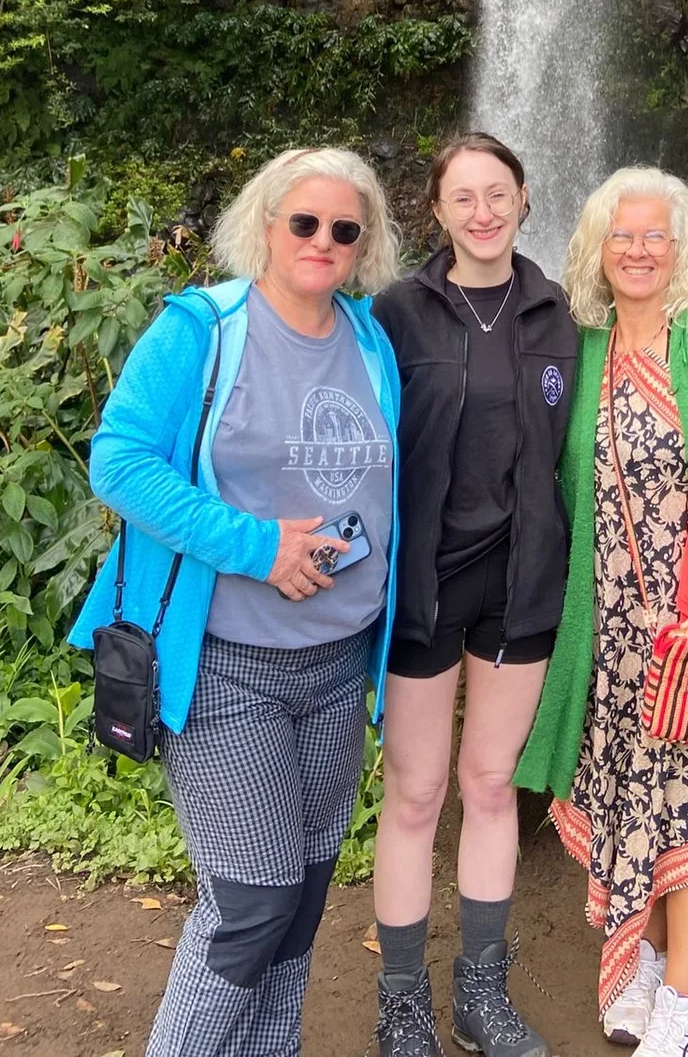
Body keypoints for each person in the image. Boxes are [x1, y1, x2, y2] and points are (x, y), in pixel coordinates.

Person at [70, 146, 403, 1057]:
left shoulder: (369, 339)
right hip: (225, 663)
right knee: (251, 905)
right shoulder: (200, 332)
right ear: (264, 225)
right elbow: (120, 462)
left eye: (345, 229)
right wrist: (259, 547)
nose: (323, 241)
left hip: (339, 666)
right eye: (304, 222)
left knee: (298, 898)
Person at [515, 167, 688, 1057]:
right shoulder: (585, 348)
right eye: (621, 236)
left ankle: (686, 1004)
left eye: (654, 236)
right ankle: (644, 958)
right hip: (614, 640)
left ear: (682, 250)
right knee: (639, 802)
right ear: (597, 247)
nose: (637, 251)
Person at [369, 133, 578, 1057]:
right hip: (422, 586)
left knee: (489, 785)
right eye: (465, 197)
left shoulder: (556, 312)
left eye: (499, 193)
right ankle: (402, 1001)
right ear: (439, 211)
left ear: (525, 199)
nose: (483, 211)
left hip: (520, 584)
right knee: (415, 794)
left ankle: (479, 997)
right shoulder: (396, 314)